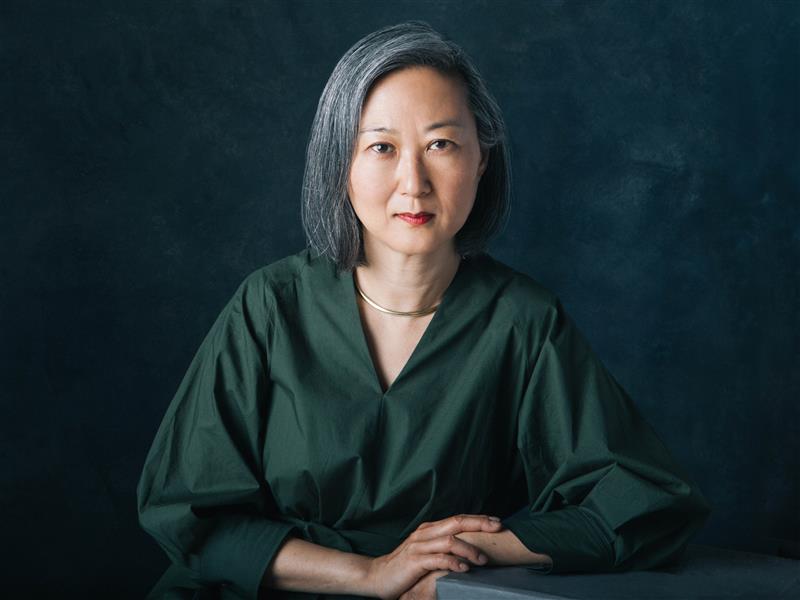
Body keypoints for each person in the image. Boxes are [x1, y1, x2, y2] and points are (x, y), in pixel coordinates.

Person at [137, 20, 711, 600]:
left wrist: (473, 549)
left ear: (482, 160)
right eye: (381, 147)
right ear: (340, 164)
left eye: (441, 144)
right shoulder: (268, 306)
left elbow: (648, 502)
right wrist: (371, 573)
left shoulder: (522, 321)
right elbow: (189, 516)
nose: (413, 184)